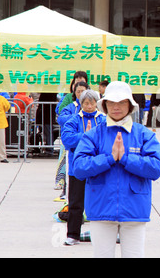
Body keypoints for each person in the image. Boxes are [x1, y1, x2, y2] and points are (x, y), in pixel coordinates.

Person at [72, 81, 160, 258]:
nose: (116, 107)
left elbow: (156, 168)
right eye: (111, 102)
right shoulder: (93, 134)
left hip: (134, 209)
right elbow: (79, 168)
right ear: (104, 105)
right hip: (101, 208)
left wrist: (126, 159)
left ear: (130, 105)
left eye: (122, 102)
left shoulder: (143, 134)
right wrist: (109, 158)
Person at [61, 90, 106, 246]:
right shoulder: (73, 120)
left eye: (92, 103)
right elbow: (67, 140)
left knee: (103, 201)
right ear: (81, 104)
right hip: (78, 168)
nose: (89, 106)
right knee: (76, 202)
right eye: (85, 103)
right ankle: (73, 234)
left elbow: (107, 140)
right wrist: (86, 136)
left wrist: (89, 137)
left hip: (99, 167)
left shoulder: (103, 120)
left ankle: (106, 234)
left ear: (97, 104)